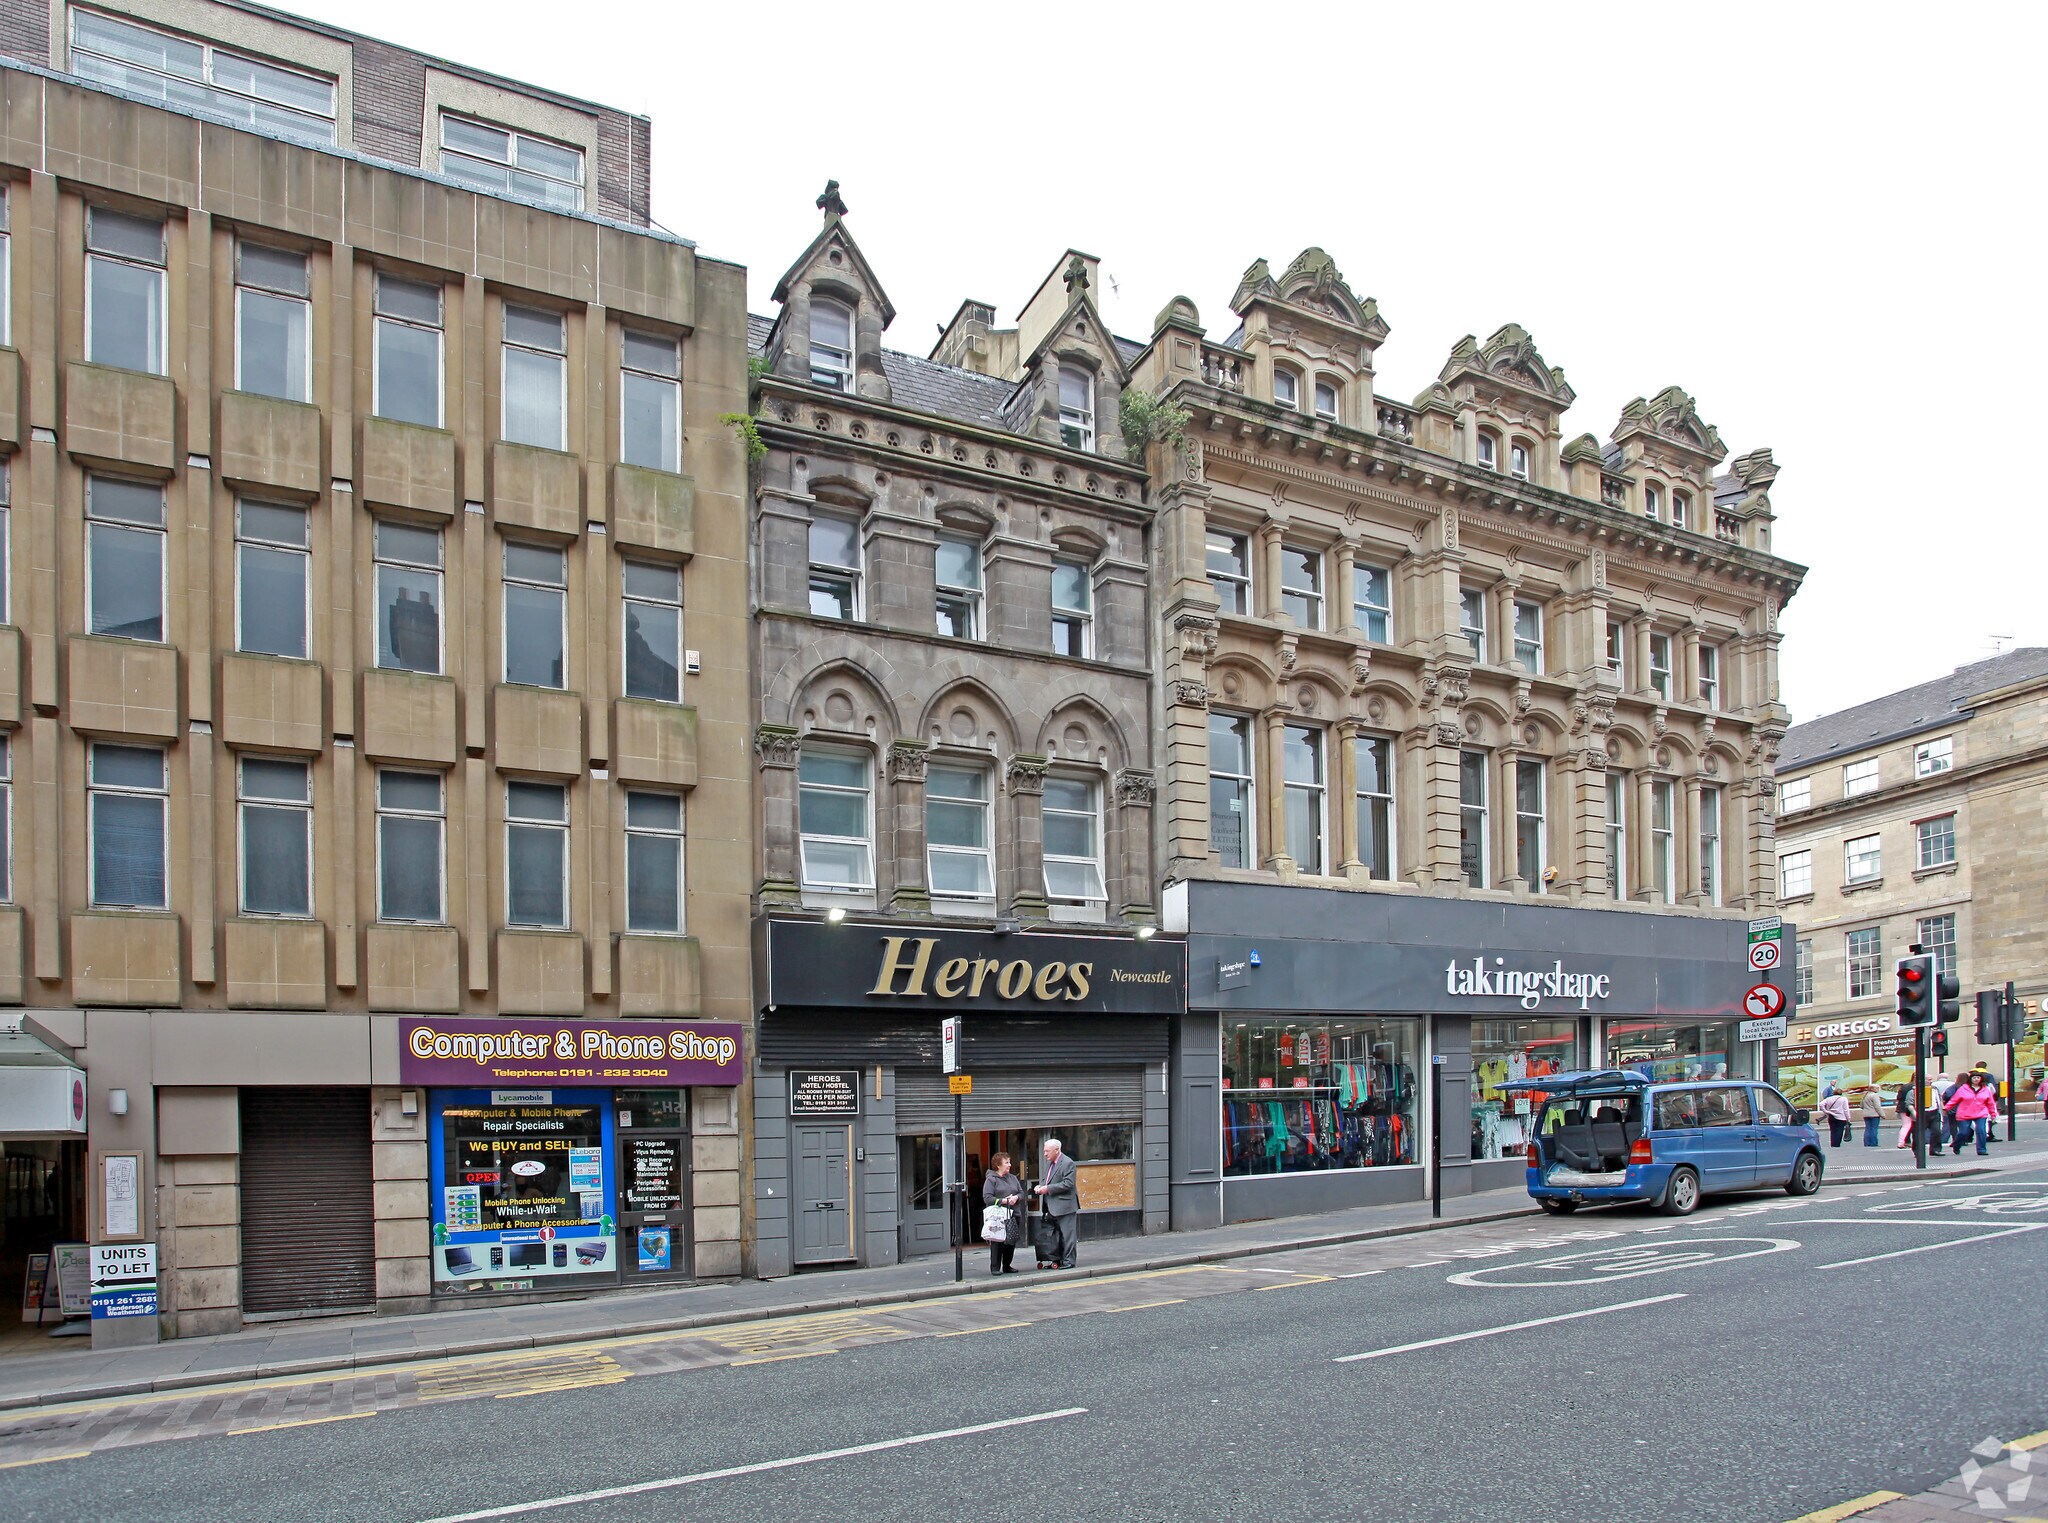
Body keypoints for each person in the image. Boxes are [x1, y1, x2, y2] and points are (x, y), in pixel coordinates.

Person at [1033, 1136, 1079, 1270]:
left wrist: (1047, 1189)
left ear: (1057, 1150)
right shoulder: (1051, 1163)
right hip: (1052, 1206)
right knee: (1056, 1235)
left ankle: (1069, 1261)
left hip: (1065, 1206)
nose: (1045, 1154)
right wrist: (1041, 1186)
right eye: (1044, 1151)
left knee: (1067, 1235)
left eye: (1047, 1151)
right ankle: (1058, 1260)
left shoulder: (1067, 1163)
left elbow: (1068, 1184)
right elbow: (1050, 1181)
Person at [981, 1151, 1025, 1276]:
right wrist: (1003, 1201)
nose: (1009, 1165)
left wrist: (1016, 1198)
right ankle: (995, 1267)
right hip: (998, 1217)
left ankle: (1007, 1265)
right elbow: (987, 1198)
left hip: (1013, 1214)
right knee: (997, 1241)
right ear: (998, 1165)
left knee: (1010, 1240)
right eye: (1006, 1162)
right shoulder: (991, 1180)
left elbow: (1022, 1193)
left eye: (1009, 1162)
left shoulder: (1013, 1178)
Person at [1945, 1070, 2002, 1157]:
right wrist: (1946, 1108)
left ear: (1981, 1079)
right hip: (1965, 1113)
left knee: (1981, 1131)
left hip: (1981, 1113)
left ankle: (1981, 1149)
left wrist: (1993, 1114)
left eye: (1978, 1078)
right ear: (1970, 1079)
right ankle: (1956, 1145)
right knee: (1963, 1133)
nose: (1976, 1079)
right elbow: (1954, 1100)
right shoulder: (1963, 1089)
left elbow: (1990, 1103)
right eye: (1974, 1078)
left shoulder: (1985, 1089)